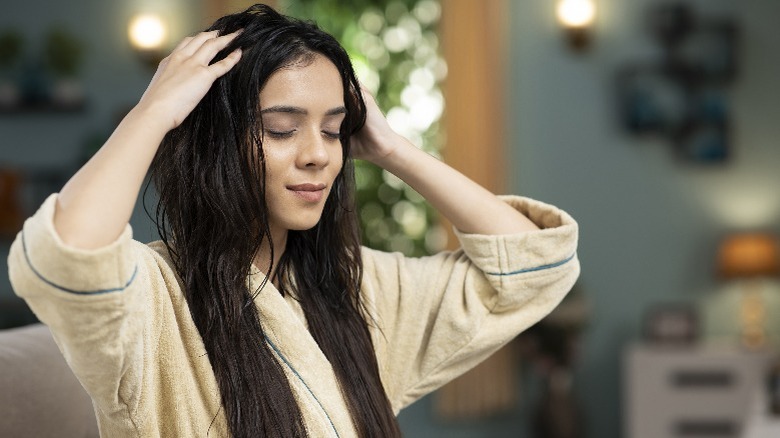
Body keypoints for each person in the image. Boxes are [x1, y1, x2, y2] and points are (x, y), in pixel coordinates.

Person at [8, 4, 579, 437]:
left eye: (333, 129)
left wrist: (393, 150)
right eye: (282, 128)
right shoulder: (153, 299)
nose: (319, 154)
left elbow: (536, 266)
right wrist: (153, 113)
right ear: (216, 142)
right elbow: (67, 259)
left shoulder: (356, 291)